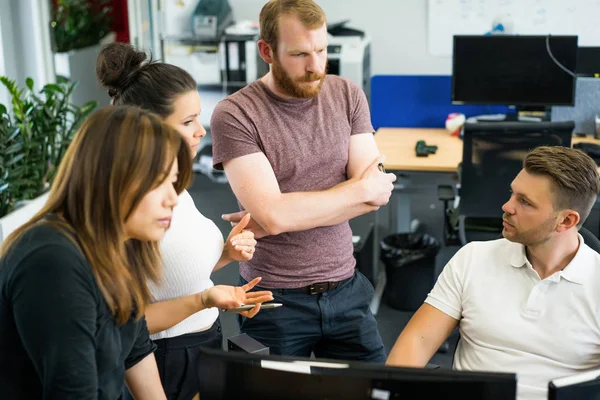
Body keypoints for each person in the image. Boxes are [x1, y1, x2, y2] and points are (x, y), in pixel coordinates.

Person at [209, 0, 396, 363]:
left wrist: (281, 216)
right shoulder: (235, 114)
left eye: (322, 50)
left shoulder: (346, 95)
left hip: (347, 287)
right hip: (274, 299)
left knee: (372, 389)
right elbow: (278, 215)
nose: (315, 67)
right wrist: (355, 190)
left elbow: (378, 195)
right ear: (267, 51)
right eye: (299, 55)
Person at [96, 42, 274, 400]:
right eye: (188, 121)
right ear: (147, 126)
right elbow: (129, 326)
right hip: (163, 357)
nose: (202, 131)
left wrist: (226, 253)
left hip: (202, 340)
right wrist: (205, 299)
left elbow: (170, 273)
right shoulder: (131, 209)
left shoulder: (174, 186)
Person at [0, 106, 193, 399]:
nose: (172, 199)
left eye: (173, 181)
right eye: (158, 181)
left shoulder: (118, 247)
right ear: (112, 177)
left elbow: (136, 353)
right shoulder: (52, 260)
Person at [386, 146, 600, 400]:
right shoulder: (473, 258)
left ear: (565, 221)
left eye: (525, 202)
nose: (507, 206)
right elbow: (416, 343)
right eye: (513, 193)